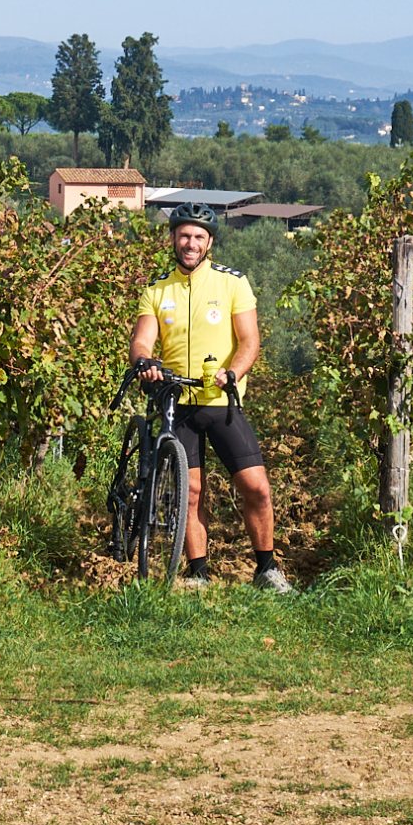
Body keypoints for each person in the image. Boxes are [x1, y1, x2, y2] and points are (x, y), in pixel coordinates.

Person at [130, 202, 291, 592]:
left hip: (221, 400)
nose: (190, 243)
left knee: (256, 486)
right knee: (191, 490)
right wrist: (146, 362)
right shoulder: (156, 290)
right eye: (184, 235)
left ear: (210, 243)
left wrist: (232, 372)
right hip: (175, 403)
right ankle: (197, 572)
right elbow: (141, 340)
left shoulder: (233, 283)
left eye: (198, 237)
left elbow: (250, 342)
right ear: (172, 239)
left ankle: (266, 568)